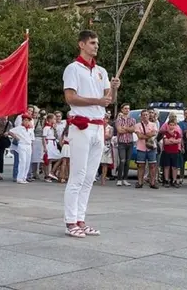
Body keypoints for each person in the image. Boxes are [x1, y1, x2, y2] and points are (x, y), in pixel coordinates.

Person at [62, 30, 120, 239]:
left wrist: (113, 89)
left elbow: (108, 99)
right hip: (81, 126)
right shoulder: (73, 69)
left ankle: (80, 219)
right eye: (92, 43)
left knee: (89, 178)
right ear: (82, 45)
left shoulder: (101, 71)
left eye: (97, 43)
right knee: (77, 175)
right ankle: (70, 222)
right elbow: (70, 97)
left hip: (98, 128)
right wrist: (98, 101)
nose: (96, 46)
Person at [7, 115, 34, 184]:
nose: (26, 122)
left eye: (27, 120)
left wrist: (32, 146)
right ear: (22, 121)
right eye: (24, 120)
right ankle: (19, 178)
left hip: (28, 145)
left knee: (27, 162)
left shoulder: (30, 129)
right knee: (23, 161)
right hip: (22, 145)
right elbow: (10, 131)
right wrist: (15, 137)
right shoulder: (19, 128)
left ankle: (24, 177)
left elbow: (32, 139)